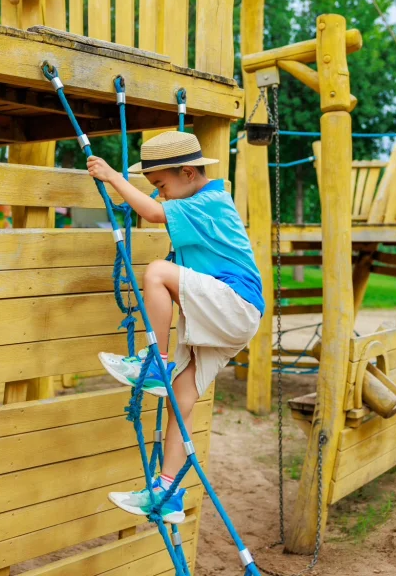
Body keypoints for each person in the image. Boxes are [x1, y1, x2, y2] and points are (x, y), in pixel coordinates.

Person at [86, 130, 264, 524]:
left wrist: (113, 177)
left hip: (234, 304)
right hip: (232, 316)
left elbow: (152, 214)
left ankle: (156, 362)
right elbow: (155, 210)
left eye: (161, 185)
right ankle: (167, 493)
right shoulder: (197, 202)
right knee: (179, 398)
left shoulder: (210, 201)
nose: (161, 195)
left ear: (187, 173)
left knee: (157, 272)